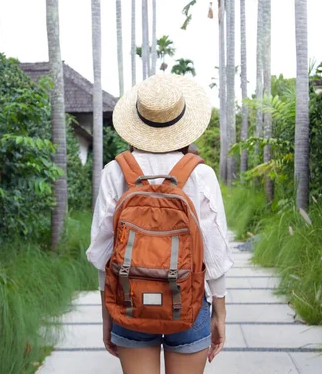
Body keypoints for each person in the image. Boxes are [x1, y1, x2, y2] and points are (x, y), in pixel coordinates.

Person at [87, 74, 233, 374]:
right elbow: (215, 251)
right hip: (189, 302)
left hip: (129, 300)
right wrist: (219, 311)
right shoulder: (200, 175)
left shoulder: (115, 172)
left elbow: (103, 253)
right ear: (183, 126)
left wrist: (107, 315)